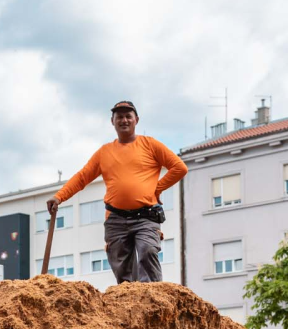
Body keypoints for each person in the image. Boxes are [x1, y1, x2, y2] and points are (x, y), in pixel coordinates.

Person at [48, 100, 187, 284]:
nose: (124, 120)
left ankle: (151, 295)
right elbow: (82, 177)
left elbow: (179, 167)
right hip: (116, 219)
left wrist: (157, 188)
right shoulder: (104, 152)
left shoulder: (150, 145)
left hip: (146, 216)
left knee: (147, 250)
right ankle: (128, 297)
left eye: (128, 116)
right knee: (122, 270)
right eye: (119, 117)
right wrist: (59, 197)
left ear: (136, 120)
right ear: (112, 121)